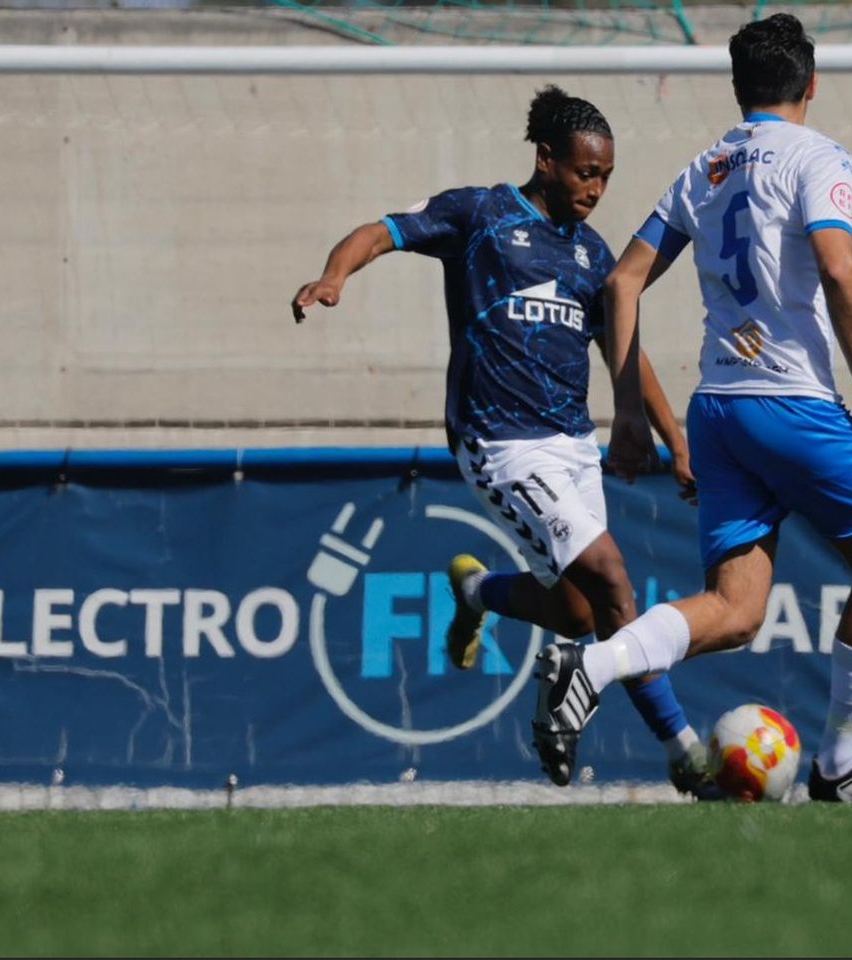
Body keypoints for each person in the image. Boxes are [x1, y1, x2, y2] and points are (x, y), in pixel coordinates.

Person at [532, 15, 852, 803]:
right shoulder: (819, 157)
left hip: (718, 409)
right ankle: (845, 763)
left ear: (737, 88)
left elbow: (619, 284)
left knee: (737, 608)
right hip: (794, 404)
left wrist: (626, 413)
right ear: (811, 85)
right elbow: (836, 261)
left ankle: (595, 661)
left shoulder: (707, 166)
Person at [292, 86, 715, 794]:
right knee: (613, 582)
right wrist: (335, 277)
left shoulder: (591, 254)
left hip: (574, 446)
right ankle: (685, 752)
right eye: (586, 173)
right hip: (500, 444)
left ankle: (478, 592)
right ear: (546, 160)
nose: (597, 189)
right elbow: (378, 231)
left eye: (606, 176)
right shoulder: (481, 216)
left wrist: (675, 439)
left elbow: (624, 347)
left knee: (580, 612)